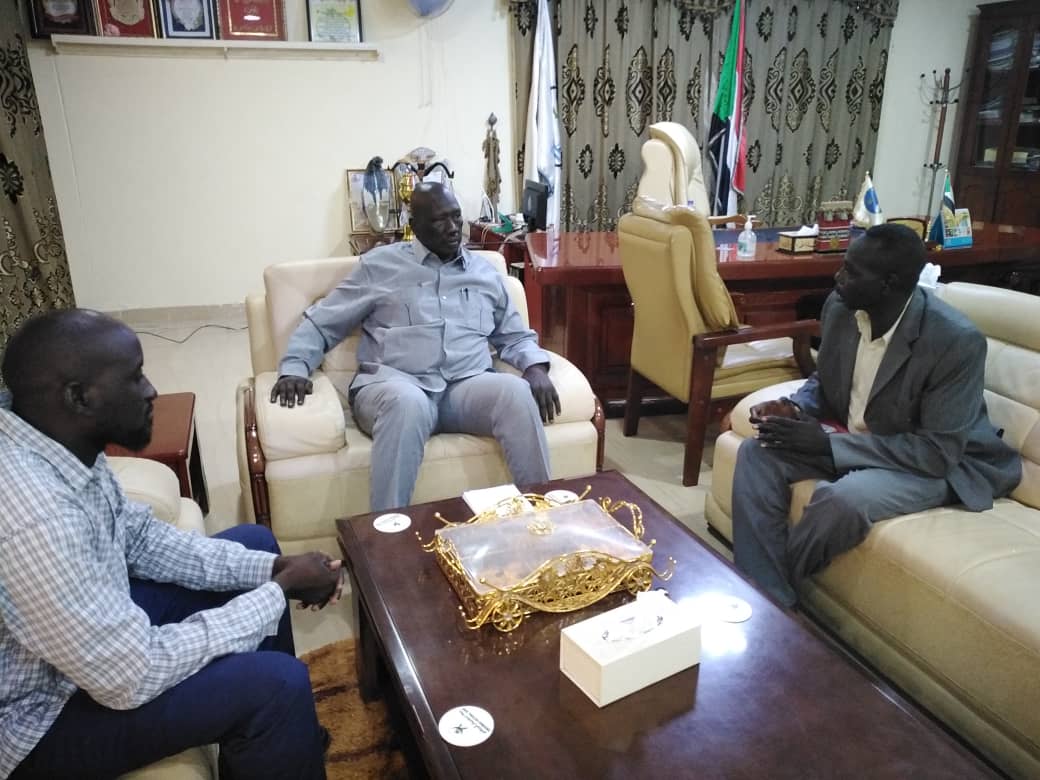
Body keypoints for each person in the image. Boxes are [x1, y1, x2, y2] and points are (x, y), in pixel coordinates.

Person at [0, 309, 343, 779]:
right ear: (79, 397)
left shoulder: (54, 439)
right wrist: (277, 591)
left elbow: (141, 539)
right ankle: (277, 719)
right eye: (134, 377)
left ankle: (280, 744)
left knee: (257, 545)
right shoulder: (36, 516)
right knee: (277, 686)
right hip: (37, 721)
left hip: (76, 653)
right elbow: (130, 676)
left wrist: (272, 569)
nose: (151, 391)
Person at [731, 223, 1021, 608]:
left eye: (851, 271)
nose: (838, 277)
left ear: (889, 283)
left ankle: (771, 595)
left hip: (938, 464)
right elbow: (827, 379)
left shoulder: (954, 341)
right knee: (757, 453)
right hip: (866, 441)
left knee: (843, 500)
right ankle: (766, 598)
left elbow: (937, 452)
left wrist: (829, 447)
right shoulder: (841, 308)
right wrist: (794, 406)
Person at [271, 181, 560, 511]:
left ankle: (542, 518)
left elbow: (514, 335)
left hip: (464, 387)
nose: (453, 228)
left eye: (456, 216)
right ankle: (387, 532)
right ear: (415, 225)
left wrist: (534, 368)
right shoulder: (379, 267)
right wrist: (294, 368)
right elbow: (322, 322)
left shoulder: (484, 272)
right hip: (394, 386)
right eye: (439, 220)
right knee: (408, 403)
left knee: (516, 392)